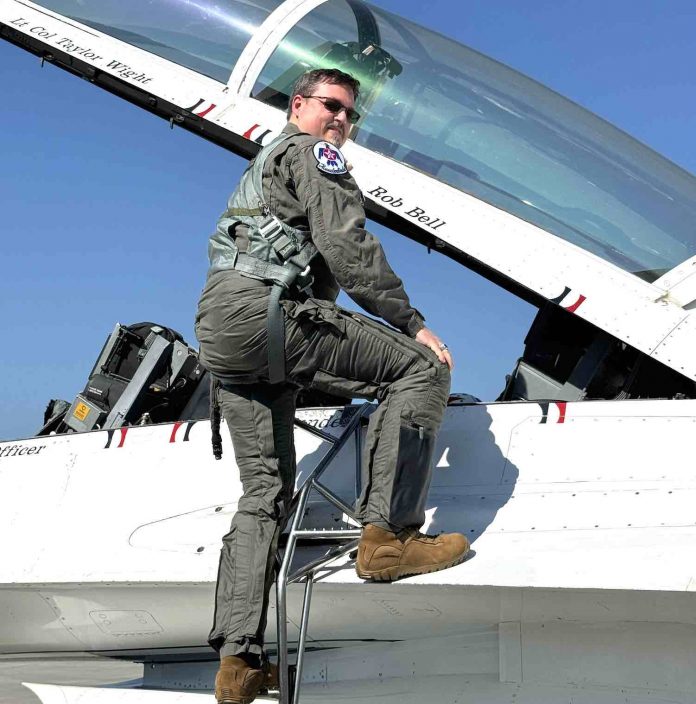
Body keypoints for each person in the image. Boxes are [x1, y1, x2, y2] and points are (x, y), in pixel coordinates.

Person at [195, 67, 470, 704]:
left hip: (224, 330)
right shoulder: (313, 153)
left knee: (264, 492)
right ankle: (391, 539)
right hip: (267, 317)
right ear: (298, 106)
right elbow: (348, 246)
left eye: (350, 115)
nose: (341, 122)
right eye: (332, 107)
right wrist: (411, 323)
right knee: (419, 368)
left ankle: (238, 666)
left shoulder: (263, 163)